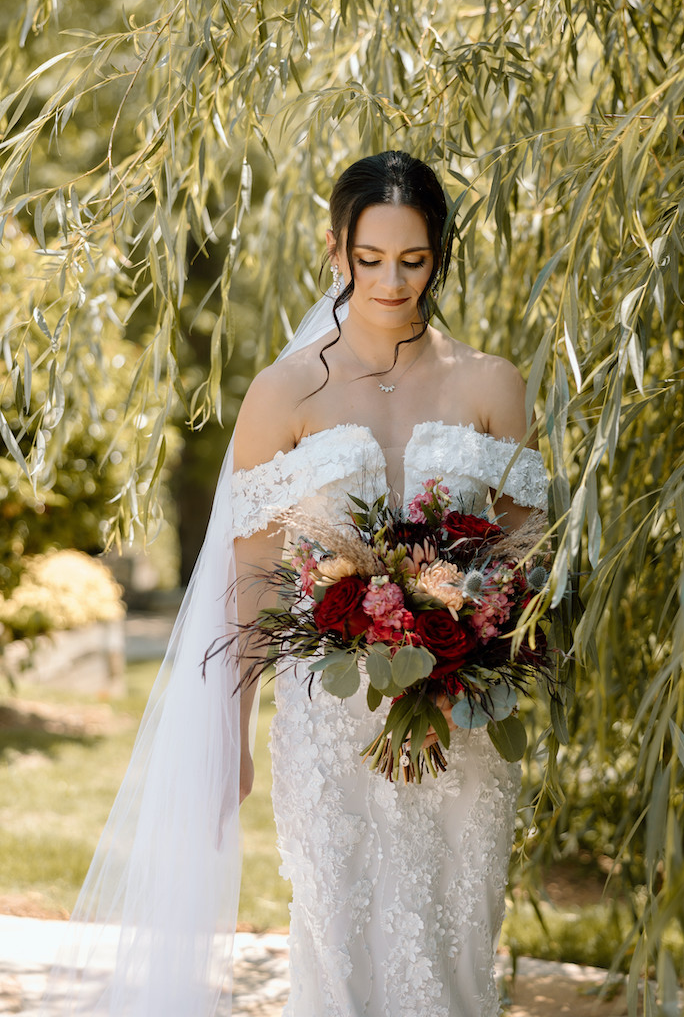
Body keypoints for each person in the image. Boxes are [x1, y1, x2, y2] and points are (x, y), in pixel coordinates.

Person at [37, 151, 548, 1017]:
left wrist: (481, 628)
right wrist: (227, 736)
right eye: (372, 257)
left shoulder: (491, 384)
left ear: (441, 256)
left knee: (454, 951)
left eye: (414, 260)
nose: (391, 280)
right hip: (329, 724)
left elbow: (525, 556)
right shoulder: (283, 394)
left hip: (457, 721)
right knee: (339, 948)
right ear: (335, 250)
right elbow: (248, 572)